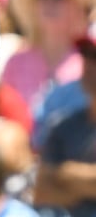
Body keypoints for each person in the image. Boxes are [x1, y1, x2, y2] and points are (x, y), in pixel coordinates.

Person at [33, 31, 96, 217]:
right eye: (86, 54)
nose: (90, 64)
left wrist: (64, 174)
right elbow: (41, 192)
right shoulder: (62, 125)